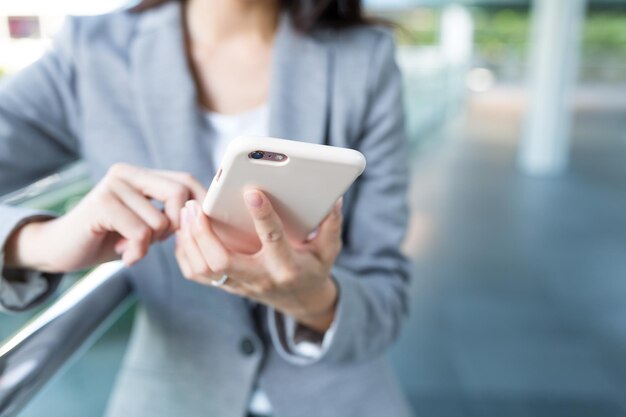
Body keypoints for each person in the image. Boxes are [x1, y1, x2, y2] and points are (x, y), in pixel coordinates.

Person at [0, 0, 411, 416]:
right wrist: (35, 241)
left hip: (340, 399)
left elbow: (386, 295)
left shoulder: (364, 58)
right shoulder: (92, 51)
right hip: (173, 397)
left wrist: (314, 301)